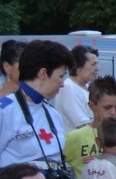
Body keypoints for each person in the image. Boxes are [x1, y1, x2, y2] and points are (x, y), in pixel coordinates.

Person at [0, 38, 71, 170]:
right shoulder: (5, 110)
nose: (62, 84)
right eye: (61, 76)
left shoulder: (53, 113)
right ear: (43, 73)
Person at [54, 45, 98, 130]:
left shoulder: (88, 88)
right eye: (93, 64)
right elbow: (83, 125)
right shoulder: (68, 88)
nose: (98, 68)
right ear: (78, 67)